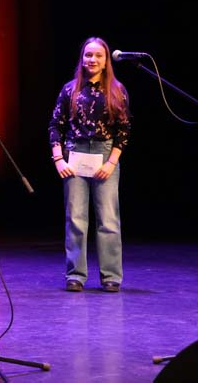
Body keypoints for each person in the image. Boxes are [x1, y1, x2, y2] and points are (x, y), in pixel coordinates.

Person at [48, 36, 131, 293]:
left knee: (108, 219)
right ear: (82, 59)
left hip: (105, 154)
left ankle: (111, 277)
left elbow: (124, 130)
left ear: (106, 61)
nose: (92, 59)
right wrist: (58, 158)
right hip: (76, 154)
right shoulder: (70, 89)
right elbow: (56, 125)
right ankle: (75, 275)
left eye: (98, 55)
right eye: (88, 55)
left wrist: (112, 162)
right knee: (75, 218)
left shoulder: (117, 90)